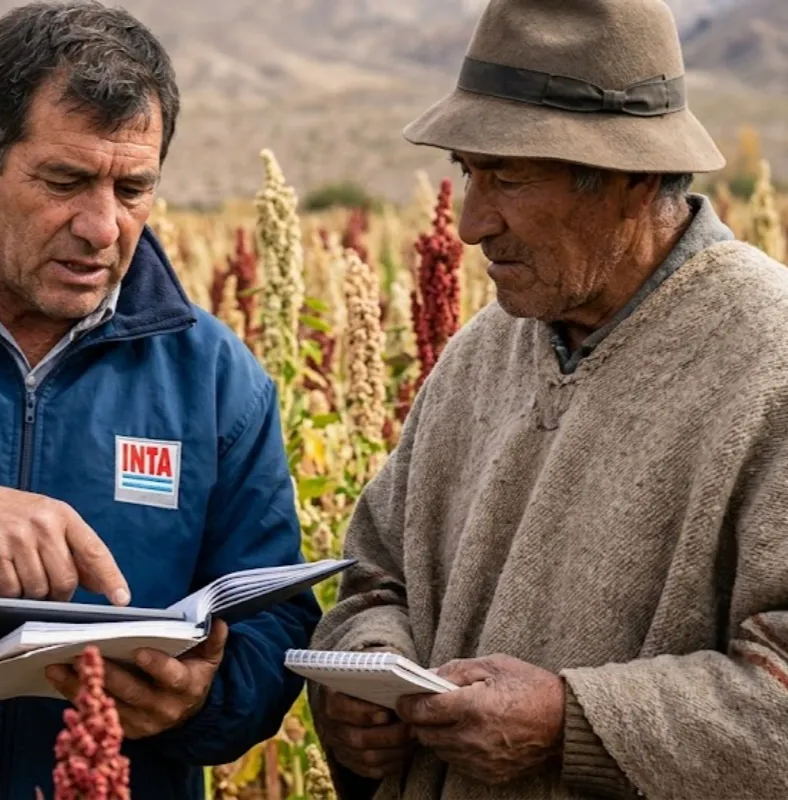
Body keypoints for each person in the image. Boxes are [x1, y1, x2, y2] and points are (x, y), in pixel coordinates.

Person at [0, 1, 320, 797]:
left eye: (133, 188)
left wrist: (207, 698)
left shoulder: (216, 377)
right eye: (66, 181)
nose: (102, 226)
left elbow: (273, 620)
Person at [308, 0, 788, 798]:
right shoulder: (482, 351)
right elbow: (376, 576)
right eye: (468, 170)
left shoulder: (769, 362)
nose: (469, 223)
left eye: (510, 178)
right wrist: (363, 671)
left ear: (631, 180)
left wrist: (574, 723)